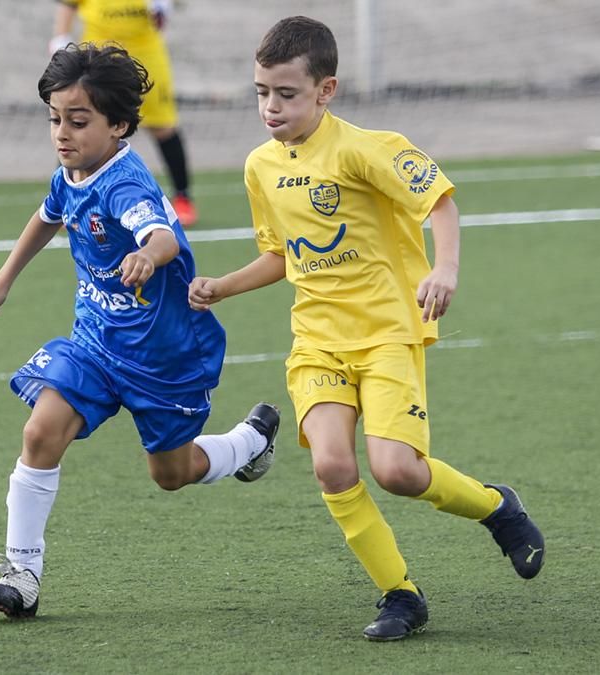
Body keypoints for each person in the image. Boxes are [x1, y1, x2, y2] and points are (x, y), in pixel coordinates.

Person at [188, 16, 545, 641]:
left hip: (387, 335)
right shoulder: (260, 167)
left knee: (398, 471)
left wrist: (447, 269)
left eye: (287, 94)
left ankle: (497, 507)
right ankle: (400, 594)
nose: (271, 107)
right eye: (261, 92)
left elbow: (440, 201)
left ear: (326, 90)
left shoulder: (367, 148)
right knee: (331, 466)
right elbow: (282, 253)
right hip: (317, 340)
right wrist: (222, 286)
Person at [0, 43, 279, 619]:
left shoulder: (124, 184)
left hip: (166, 356)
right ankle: (21, 575)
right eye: (55, 119)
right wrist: (2, 280)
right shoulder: (72, 170)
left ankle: (249, 442)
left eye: (78, 122)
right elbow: (47, 216)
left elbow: (158, 234)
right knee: (40, 433)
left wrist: (150, 257)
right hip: (95, 343)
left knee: (172, 473)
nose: (62, 133)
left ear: (119, 126)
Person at [50, 0, 198, 226]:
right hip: (97, 60)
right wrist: (60, 37)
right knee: (77, 124)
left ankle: (183, 197)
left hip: (146, 55)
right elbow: (68, 5)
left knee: (163, 127)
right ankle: (65, 201)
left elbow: (165, 14)